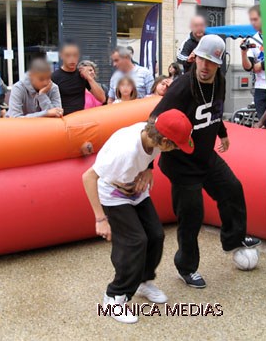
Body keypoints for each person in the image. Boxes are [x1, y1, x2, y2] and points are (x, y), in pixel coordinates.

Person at [150, 35, 261, 289]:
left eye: (211, 62)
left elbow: (214, 109)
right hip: (181, 164)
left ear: (219, 64)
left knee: (232, 188)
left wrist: (221, 132)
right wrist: (149, 162)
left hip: (205, 155)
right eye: (202, 59)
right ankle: (186, 268)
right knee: (192, 216)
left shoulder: (219, 82)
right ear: (194, 58)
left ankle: (233, 239)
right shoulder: (181, 88)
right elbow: (154, 120)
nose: (205, 66)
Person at [82, 109, 195, 324]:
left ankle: (143, 281)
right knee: (135, 241)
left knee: (155, 235)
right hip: (113, 194)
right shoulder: (123, 152)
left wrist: (149, 169)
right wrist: (100, 219)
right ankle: (114, 297)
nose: (174, 150)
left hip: (137, 189)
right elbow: (88, 177)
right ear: (163, 140)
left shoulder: (152, 133)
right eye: (173, 146)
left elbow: (148, 155)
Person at [52, 41, 105, 115]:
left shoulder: (82, 74)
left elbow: (102, 98)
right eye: (68, 55)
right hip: (63, 120)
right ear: (61, 56)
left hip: (80, 118)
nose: (72, 59)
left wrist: (89, 78)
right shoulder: (54, 77)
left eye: (75, 55)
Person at [240, 5, 266, 129]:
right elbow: (249, 67)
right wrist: (243, 53)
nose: (253, 23)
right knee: (265, 127)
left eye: (255, 19)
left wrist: (261, 65)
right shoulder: (253, 40)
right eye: (251, 20)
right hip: (261, 88)